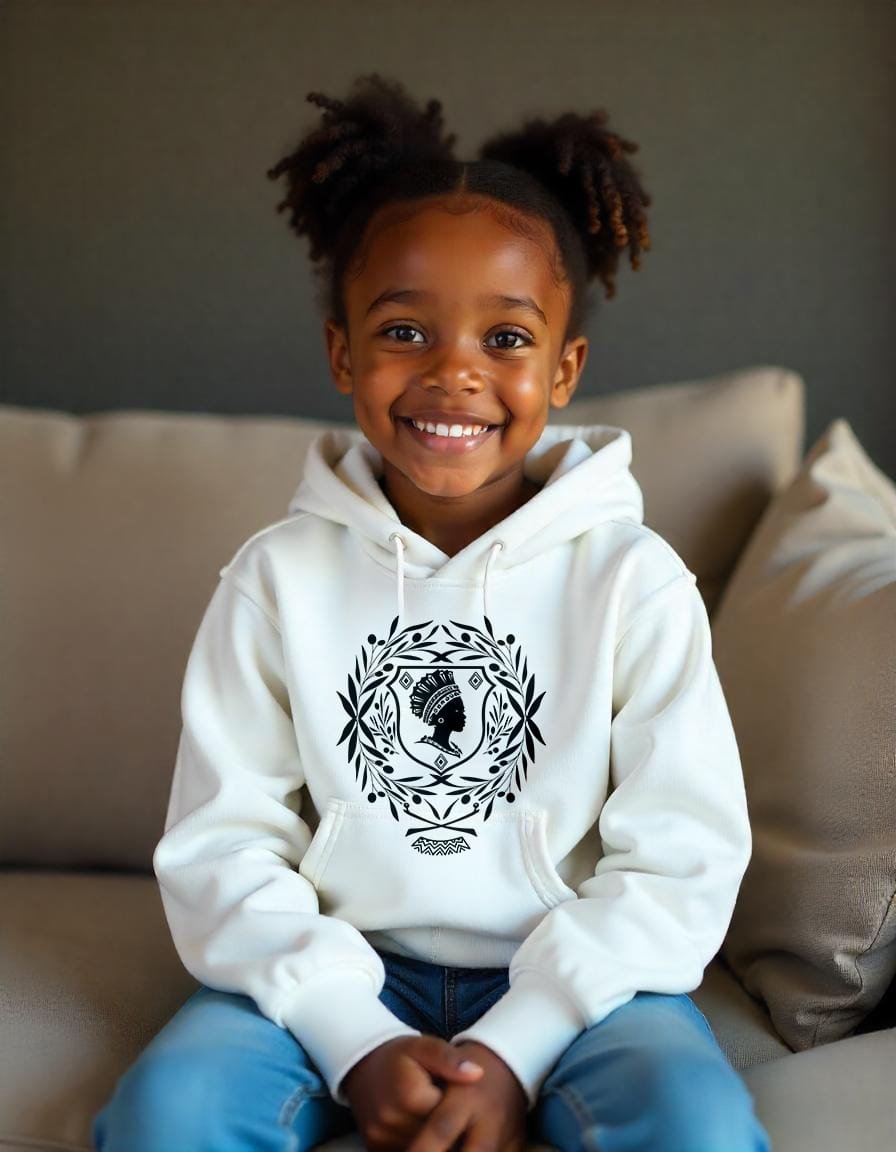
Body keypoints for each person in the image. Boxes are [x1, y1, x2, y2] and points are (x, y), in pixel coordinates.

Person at [92, 72, 772, 1152]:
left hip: (581, 980)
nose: (454, 373)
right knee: (169, 1114)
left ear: (564, 368)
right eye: (405, 330)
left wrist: (520, 1043)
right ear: (342, 353)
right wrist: (350, 1033)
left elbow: (679, 858)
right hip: (335, 964)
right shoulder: (274, 580)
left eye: (505, 339)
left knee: (696, 1125)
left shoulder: (633, 583)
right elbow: (225, 844)